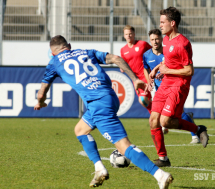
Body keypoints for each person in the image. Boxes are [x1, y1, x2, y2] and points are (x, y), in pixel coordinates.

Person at [34, 35, 173, 189]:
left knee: (123, 146)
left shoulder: (54, 62)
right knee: (80, 130)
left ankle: (160, 175)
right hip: (110, 97)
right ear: (69, 45)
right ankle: (99, 169)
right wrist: (134, 79)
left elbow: (41, 93)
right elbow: (116, 58)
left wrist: (41, 103)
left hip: (99, 105)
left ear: (53, 53)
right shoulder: (85, 52)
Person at [147, 7, 209, 167]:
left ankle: (197, 129)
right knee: (153, 120)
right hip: (166, 82)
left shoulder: (183, 43)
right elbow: (168, 61)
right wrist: (157, 68)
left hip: (179, 85)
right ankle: (163, 158)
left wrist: (168, 70)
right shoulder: (166, 40)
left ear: (172, 23)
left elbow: (189, 70)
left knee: (165, 122)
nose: (160, 25)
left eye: (163, 22)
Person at [143, 28, 200, 144]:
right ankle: (162, 154)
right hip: (159, 88)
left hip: (173, 85)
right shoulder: (146, 55)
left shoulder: (168, 51)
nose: (155, 42)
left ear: (161, 39)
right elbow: (145, 68)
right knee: (156, 117)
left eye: (157, 39)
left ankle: (195, 135)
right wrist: (148, 80)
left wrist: (165, 71)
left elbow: (177, 66)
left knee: (179, 114)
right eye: (152, 40)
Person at [120, 25, 153, 113]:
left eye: (130, 34)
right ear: (124, 36)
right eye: (126, 34)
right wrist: (122, 68)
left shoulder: (142, 44)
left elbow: (154, 52)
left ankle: (157, 118)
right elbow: (124, 64)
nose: (128, 36)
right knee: (144, 100)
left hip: (147, 75)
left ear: (134, 34)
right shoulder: (123, 50)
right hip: (136, 79)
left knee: (144, 99)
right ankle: (156, 116)